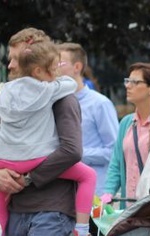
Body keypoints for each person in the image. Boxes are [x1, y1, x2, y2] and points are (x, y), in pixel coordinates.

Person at [0, 27, 81, 236]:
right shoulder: (13, 100)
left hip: (50, 211)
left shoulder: (62, 98)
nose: (10, 66)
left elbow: (71, 150)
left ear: (35, 67)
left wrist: (28, 178)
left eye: (14, 60)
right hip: (17, 212)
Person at [0, 39, 97, 236]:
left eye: (14, 58)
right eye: (53, 67)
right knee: (88, 176)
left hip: (12, 168)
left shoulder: (6, 93)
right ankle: (83, 232)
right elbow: (75, 152)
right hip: (30, 165)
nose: (10, 65)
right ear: (40, 69)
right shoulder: (51, 91)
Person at [57, 43, 119, 196]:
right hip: (61, 193)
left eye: (60, 63)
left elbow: (114, 152)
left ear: (77, 67)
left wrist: (74, 153)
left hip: (94, 193)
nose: (54, 67)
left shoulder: (100, 104)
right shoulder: (53, 103)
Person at [104, 63, 150, 202]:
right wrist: (108, 193)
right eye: (128, 81)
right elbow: (116, 164)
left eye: (135, 82)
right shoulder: (126, 123)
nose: (128, 86)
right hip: (129, 206)